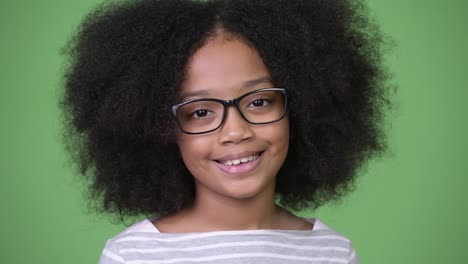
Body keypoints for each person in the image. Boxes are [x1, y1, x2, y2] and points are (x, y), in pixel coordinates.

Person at [61, 0, 389, 263]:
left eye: (260, 102)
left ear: (303, 107)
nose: (235, 131)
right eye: (201, 112)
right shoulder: (132, 257)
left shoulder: (332, 254)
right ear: (159, 130)